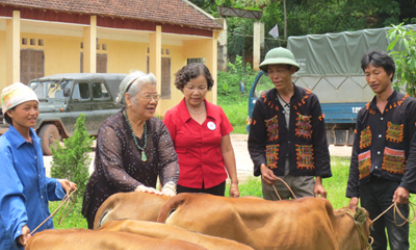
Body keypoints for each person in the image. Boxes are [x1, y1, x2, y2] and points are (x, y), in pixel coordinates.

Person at [82, 71, 179, 229]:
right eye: (147, 96)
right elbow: (112, 169)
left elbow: (169, 160)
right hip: (109, 205)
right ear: (128, 99)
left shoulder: (157, 127)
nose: (153, 101)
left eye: (156, 96)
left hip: (143, 204)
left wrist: (169, 185)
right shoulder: (111, 128)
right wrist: (138, 188)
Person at [346, 50, 416, 250]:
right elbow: (356, 156)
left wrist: (406, 185)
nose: (371, 79)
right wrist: (353, 193)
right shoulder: (364, 113)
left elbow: (415, 149)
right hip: (368, 188)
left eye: (376, 72)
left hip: (395, 188)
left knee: (398, 243)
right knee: (372, 242)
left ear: (390, 73)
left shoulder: (408, 106)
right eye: (367, 74)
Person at [248, 47, 332, 200]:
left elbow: (320, 142)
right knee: (275, 220)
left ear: (291, 70)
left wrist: (318, 180)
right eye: (271, 71)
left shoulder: (309, 100)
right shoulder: (263, 103)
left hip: (304, 174)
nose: (275, 76)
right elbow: (255, 143)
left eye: (280, 70)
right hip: (273, 175)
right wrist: (262, 166)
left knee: (307, 219)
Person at [0, 82, 77, 250]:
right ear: (10, 112)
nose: (33, 113)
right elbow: (9, 192)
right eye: (26, 108)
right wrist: (19, 226)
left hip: (42, 231)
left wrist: (57, 184)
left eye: (35, 107)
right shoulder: (4, 149)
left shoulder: (34, 139)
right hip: (20, 234)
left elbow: (33, 183)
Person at [163, 63, 239, 197]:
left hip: (216, 182)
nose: (196, 92)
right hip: (184, 184)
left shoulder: (217, 112)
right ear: (182, 87)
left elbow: (226, 149)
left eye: (201, 87)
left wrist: (234, 182)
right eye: (190, 87)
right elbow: (165, 155)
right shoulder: (172, 116)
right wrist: (167, 185)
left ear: (208, 87)